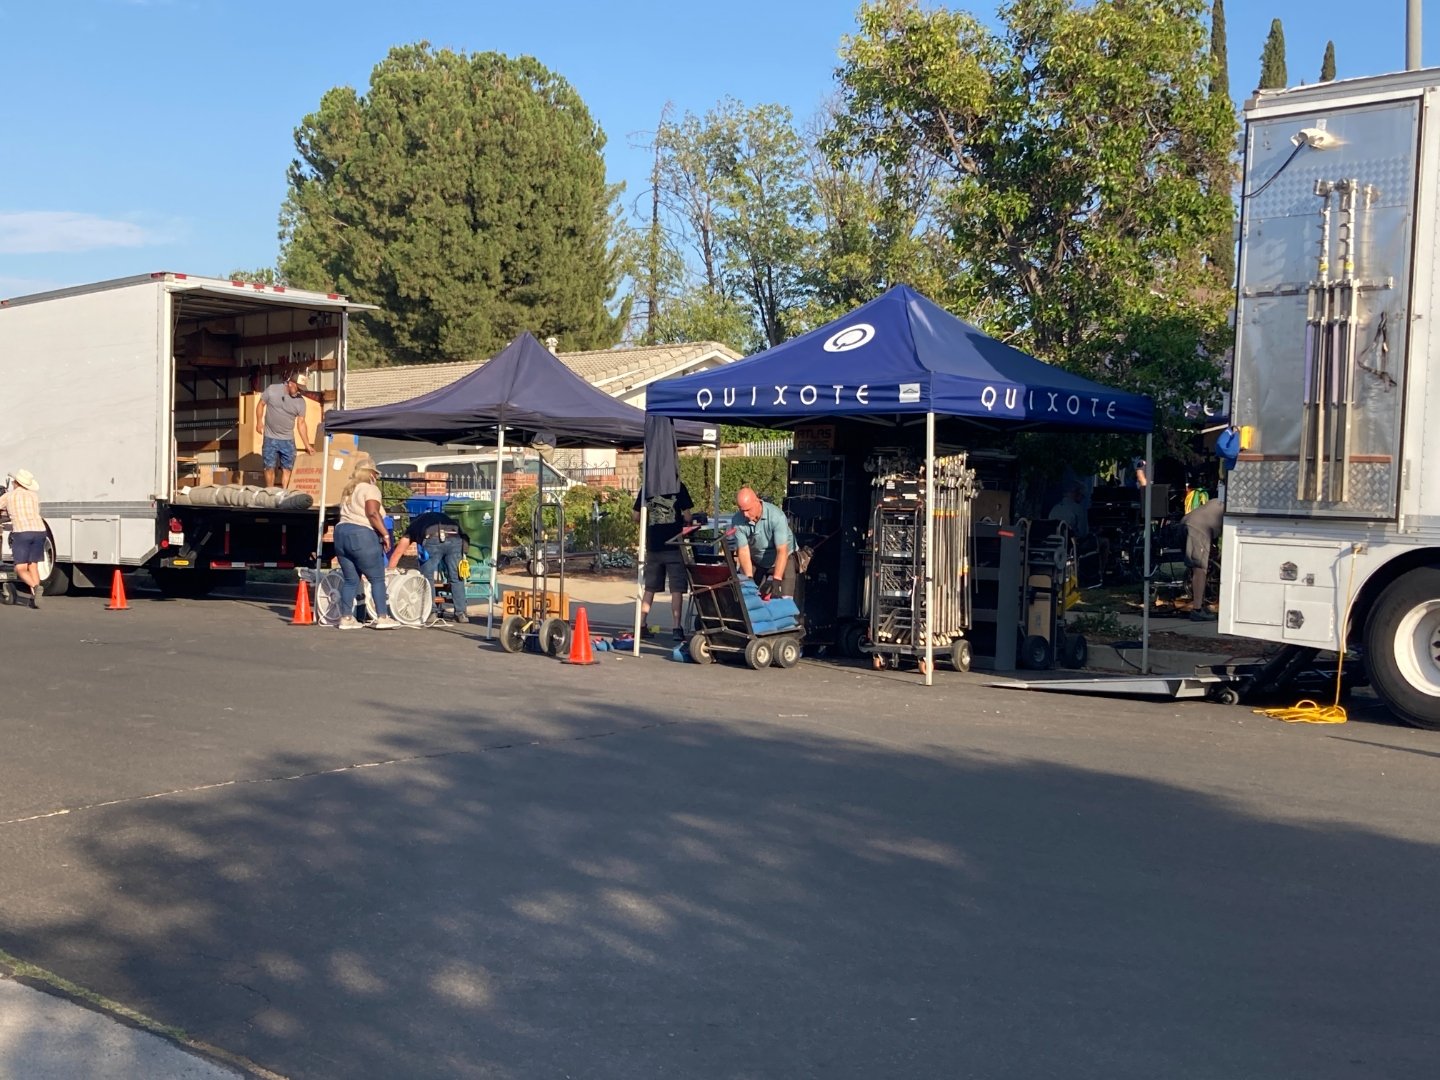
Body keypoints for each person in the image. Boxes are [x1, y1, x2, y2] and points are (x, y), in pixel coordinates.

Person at [334, 457, 398, 630]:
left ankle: (346, 618)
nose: (376, 477)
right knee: (377, 578)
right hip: (362, 534)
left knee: (350, 580)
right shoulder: (370, 489)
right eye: (375, 474)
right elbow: (372, 513)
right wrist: (385, 534)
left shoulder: (348, 490)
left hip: (341, 533)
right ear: (370, 474)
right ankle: (382, 617)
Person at [633, 482, 695, 642]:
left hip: (653, 546)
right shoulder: (678, 486)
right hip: (674, 546)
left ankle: (641, 624)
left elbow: (636, 516)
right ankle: (676, 628)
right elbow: (688, 516)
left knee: (650, 588)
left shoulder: (647, 487)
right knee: (676, 589)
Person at [388, 507, 471, 623]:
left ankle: (431, 612)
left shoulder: (414, 526)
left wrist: (389, 572)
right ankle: (461, 614)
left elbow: (398, 552)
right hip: (455, 539)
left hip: (433, 539)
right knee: (456, 578)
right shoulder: (442, 517)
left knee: (427, 577)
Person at [729, 486, 795, 599]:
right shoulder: (737, 521)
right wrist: (749, 579)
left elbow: (782, 550)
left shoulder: (777, 516)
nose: (745, 514)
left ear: (757, 502)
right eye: (741, 510)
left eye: (748, 510)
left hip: (782, 557)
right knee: (746, 595)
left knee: (785, 599)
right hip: (757, 558)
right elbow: (743, 551)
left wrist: (777, 580)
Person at [255, 371, 315, 489]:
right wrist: (258, 421)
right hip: (270, 437)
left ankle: (285, 493)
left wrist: (307, 445)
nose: (299, 392)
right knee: (269, 467)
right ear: (291, 383)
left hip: (287, 440)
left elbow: (301, 423)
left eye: (301, 390)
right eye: (298, 388)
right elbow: (261, 404)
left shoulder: (301, 402)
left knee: (287, 469)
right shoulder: (272, 390)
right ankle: (270, 492)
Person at [0, 469, 46, 609]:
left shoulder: (9, 496)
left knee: (20, 568)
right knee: (33, 565)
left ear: (15, 482)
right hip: (40, 531)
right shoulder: (34, 496)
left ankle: (36, 587)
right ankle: (35, 599)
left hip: (22, 532)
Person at [1180, 496, 1224, 621]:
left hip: (1187, 521)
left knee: (1198, 566)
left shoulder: (1219, 499)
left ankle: (1200, 604)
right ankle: (1197, 610)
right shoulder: (1234, 506)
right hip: (1198, 527)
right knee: (1200, 568)